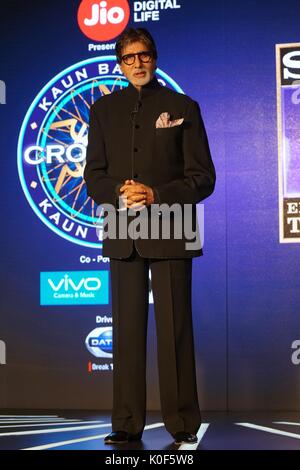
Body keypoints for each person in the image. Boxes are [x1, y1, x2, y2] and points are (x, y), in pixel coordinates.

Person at [84, 27, 216, 446]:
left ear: (154, 59)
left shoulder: (183, 107)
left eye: (143, 56)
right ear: (119, 65)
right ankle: (125, 423)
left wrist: (156, 194)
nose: (137, 64)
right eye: (128, 58)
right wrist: (120, 192)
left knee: (175, 329)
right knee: (125, 332)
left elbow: (203, 178)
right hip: (123, 228)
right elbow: (93, 176)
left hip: (172, 226)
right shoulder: (103, 110)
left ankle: (182, 425)